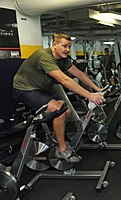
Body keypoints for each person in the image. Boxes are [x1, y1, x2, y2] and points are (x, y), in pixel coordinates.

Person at [13, 32, 104, 163]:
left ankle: (56, 141)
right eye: (64, 46)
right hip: (25, 89)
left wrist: (98, 89)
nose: (67, 49)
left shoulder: (63, 59)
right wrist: (90, 96)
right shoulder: (44, 56)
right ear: (54, 44)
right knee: (59, 111)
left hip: (41, 89)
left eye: (69, 46)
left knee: (67, 110)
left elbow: (79, 73)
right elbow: (64, 80)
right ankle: (61, 149)